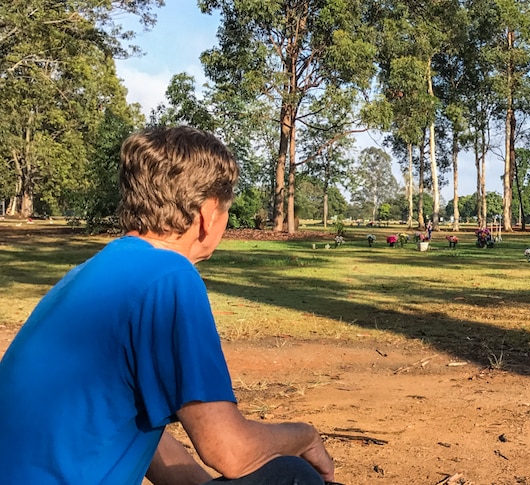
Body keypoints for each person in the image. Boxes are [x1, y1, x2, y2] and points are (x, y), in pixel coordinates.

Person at [0, 127, 334, 485]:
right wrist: (306, 436)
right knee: (290, 474)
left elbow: (140, 434)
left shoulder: (85, 275)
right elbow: (229, 451)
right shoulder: (168, 276)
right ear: (208, 214)